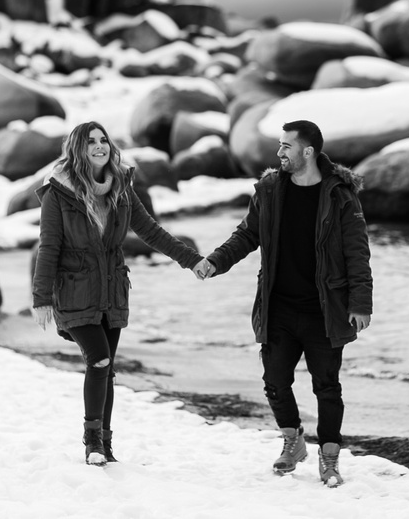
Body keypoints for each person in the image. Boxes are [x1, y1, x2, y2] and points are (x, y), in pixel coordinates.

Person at [193, 119, 373, 487]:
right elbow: (247, 234)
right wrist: (215, 261)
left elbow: (358, 252)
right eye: (279, 146)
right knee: (275, 380)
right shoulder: (271, 189)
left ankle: (329, 458)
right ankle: (293, 441)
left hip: (325, 308)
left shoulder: (340, 195)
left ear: (308, 151)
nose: (279, 153)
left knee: (327, 386)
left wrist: (361, 303)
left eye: (286, 146)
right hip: (279, 305)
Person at [32, 121, 203, 466]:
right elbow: (48, 246)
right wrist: (41, 297)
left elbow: (151, 232)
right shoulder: (58, 193)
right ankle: (92, 441)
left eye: (103, 140)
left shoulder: (121, 188)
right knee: (99, 359)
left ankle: (106, 444)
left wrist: (192, 260)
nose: (100, 146)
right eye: (91, 141)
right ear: (77, 149)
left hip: (112, 292)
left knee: (106, 370)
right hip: (75, 291)